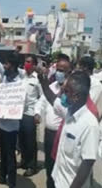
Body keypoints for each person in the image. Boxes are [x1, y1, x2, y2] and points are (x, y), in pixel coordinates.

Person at [39, 70, 100, 188]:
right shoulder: (69, 112)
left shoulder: (89, 124)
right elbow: (52, 99)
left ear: (76, 96)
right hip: (58, 179)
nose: (61, 93)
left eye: (66, 91)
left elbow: (88, 162)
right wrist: (44, 83)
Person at [34, 54, 72, 188]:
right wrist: (37, 113)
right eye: (58, 69)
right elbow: (42, 102)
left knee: (60, 166)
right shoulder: (51, 86)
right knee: (49, 166)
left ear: (69, 71)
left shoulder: (71, 90)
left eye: (62, 70)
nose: (59, 73)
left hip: (62, 135)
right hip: (49, 134)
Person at [0, 52, 22, 188]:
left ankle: (12, 183)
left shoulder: (20, 83)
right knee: (3, 153)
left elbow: (21, 103)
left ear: (13, 66)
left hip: (12, 127)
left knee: (10, 156)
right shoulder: (4, 75)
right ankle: (2, 177)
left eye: (7, 64)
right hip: (1, 125)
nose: (5, 66)